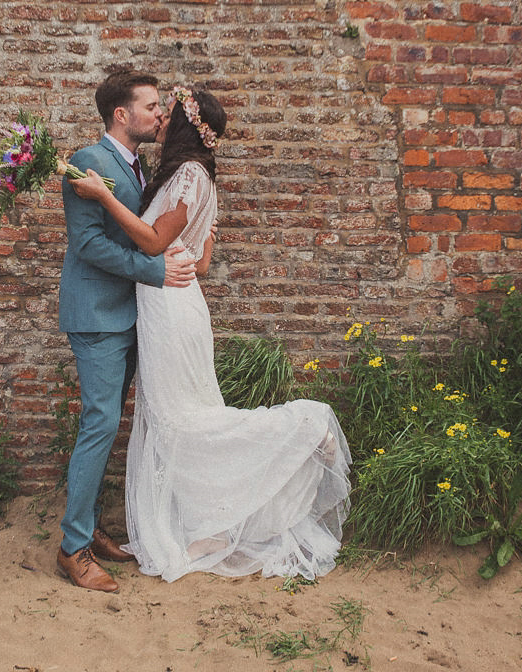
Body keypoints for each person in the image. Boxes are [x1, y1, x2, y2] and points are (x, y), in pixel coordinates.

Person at [69, 85, 351, 583]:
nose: (159, 116)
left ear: (182, 125)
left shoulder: (188, 175)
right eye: (153, 107)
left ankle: (307, 427)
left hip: (169, 308)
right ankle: (211, 523)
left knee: (184, 419)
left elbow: (155, 241)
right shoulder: (182, 175)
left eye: (166, 111)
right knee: (174, 418)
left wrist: (104, 197)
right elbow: (198, 261)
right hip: (168, 304)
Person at [57, 71, 198, 593]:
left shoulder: (135, 167)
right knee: (99, 423)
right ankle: (72, 549)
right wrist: (155, 273)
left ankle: (90, 530)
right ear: (122, 114)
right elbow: (88, 244)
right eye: (152, 106)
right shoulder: (90, 162)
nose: (159, 114)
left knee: (106, 423)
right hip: (96, 315)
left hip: (126, 315)